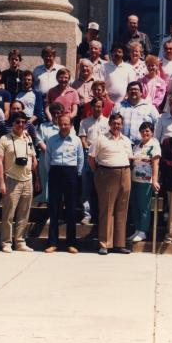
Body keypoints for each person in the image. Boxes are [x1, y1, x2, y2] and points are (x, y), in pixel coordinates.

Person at [88, 113, 134, 255]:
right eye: (114, 123)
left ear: (122, 125)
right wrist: (99, 172)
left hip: (125, 173)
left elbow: (130, 157)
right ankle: (104, 244)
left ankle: (119, 244)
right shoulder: (100, 139)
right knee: (107, 209)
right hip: (106, 174)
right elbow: (91, 158)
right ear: (109, 124)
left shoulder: (126, 140)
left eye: (119, 123)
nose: (116, 126)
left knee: (122, 208)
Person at [0, 112, 39, 253]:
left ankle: (20, 241)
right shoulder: (4, 139)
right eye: (17, 122)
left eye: (23, 122)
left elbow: (33, 159)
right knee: (8, 214)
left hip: (27, 180)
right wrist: (1, 182)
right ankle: (6, 242)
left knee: (24, 214)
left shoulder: (28, 138)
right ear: (12, 124)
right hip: (11, 179)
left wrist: (36, 178)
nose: (20, 125)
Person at [45, 113, 85, 254]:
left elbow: (80, 159)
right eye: (61, 124)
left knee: (71, 210)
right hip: (55, 173)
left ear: (71, 125)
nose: (63, 126)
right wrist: (53, 173)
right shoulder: (51, 140)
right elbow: (47, 159)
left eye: (66, 124)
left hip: (71, 174)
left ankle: (71, 243)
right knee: (54, 209)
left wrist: (76, 175)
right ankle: (53, 243)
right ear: (58, 124)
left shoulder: (76, 141)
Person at [78, 96, 110, 225]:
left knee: (102, 187)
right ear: (91, 108)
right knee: (87, 187)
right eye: (95, 106)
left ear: (103, 108)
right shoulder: (84, 122)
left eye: (99, 107)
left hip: (102, 157)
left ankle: (101, 215)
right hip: (88, 155)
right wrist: (89, 150)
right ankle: (87, 214)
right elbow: (83, 138)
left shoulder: (108, 122)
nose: (97, 109)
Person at [128, 121, 161, 243]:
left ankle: (143, 231)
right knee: (135, 206)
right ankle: (137, 229)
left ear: (152, 132)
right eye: (142, 131)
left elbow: (156, 164)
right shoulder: (138, 145)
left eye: (147, 131)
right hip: (134, 179)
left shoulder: (154, 145)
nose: (145, 133)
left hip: (146, 180)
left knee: (144, 207)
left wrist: (155, 180)